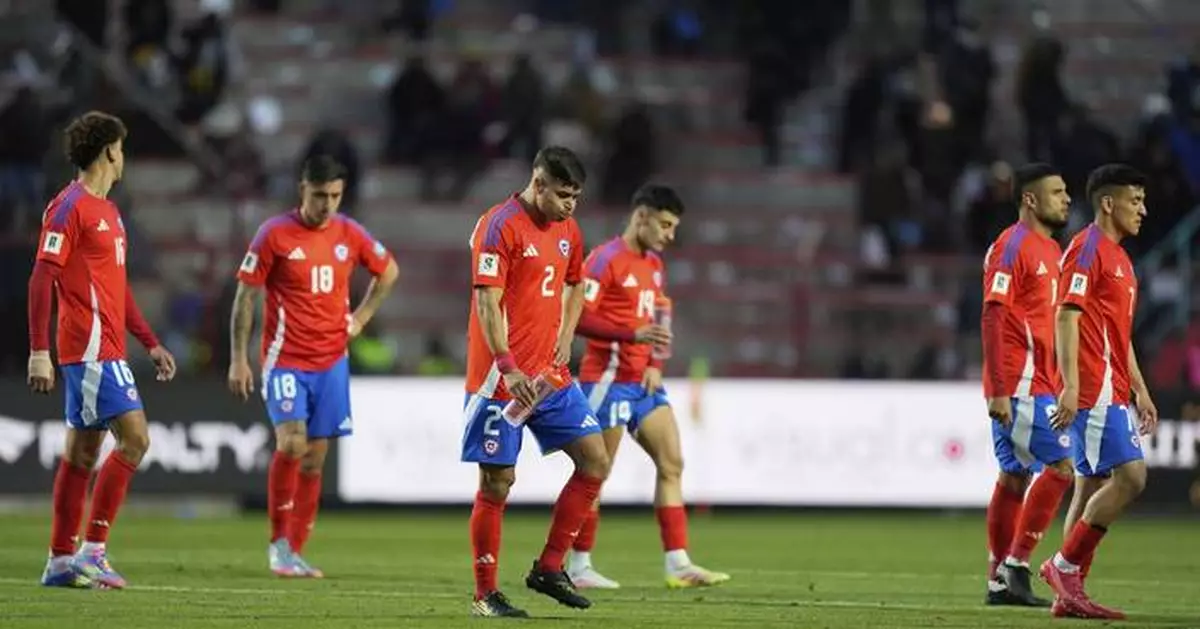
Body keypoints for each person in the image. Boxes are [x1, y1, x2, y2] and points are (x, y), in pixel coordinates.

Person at [227, 155, 399, 578]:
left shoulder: (348, 232)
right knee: (291, 443)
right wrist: (238, 358)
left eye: (335, 195)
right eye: (320, 195)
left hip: (332, 361)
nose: (328, 204)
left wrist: (360, 318)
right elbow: (246, 298)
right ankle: (278, 545)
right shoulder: (274, 234)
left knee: (315, 459)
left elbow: (389, 270)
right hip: (285, 360)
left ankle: (295, 551)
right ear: (302, 189)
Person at [461, 146, 611, 617]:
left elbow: (574, 285)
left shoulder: (568, 229)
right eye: (563, 194)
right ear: (538, 183)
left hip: (550, 375)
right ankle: (485, 594)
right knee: (498, 482)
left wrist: (566, 337)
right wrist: (507, 365)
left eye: (576, 197)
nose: (570, 205)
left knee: (595, 461)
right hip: (500, 380)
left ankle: (549, 567)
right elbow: (488, 301)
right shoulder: (499, 225)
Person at [29, 111, 176, 589]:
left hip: (107, 345)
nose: (124, 157)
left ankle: (58, 561)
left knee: (81, 454)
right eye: (122, 148)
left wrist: (149, 342)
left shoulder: (110, 213)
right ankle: (93, 551)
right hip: (90, 347)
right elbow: (41, 276)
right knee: (135, 440)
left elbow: (117, 288)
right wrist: (37, 350)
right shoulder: (69, 207)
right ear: (111, 150)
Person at [566, 183, 729, 589]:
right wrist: (631, 335)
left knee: (672, 464)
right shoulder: (604, 260)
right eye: (666, 225)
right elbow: (577, 318)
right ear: (642, 217)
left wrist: (655, 361)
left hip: (643, 383)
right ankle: (578, 565)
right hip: (607, 379)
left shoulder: (654, 264)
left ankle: (678, 564)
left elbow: (659, 312)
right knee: (595, 473)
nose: (670, 235)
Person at [1041, 164, 1158, 620]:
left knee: (1089, 484)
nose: (1143, 210)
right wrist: (1070, 386)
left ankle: (1067, 594)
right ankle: (1064, 566)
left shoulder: (1121, 259)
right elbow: (1066, 315)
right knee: (1131, 478)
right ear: (1108, 203)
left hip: (1111, 385)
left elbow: (1119, 333)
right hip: (1091, 387)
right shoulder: (1086, 249)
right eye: (1135, 200)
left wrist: (1141, 390)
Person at [978, 163, 1073, 607]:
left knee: (1014, 476)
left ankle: (999, 580)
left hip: (1039, 382)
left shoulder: (1053, 250)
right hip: (1020, 383)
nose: (1067, 199)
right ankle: (1016, 565)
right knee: (1060, 467)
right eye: (1057, 192)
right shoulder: (1011, 246)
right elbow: (994, 315)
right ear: (1030, 199)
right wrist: (998, 387)